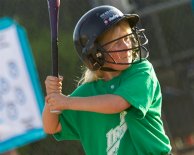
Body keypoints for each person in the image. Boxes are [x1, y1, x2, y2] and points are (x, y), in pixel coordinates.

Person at [42, 5, 172, 155]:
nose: (127, 45)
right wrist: (52, 98)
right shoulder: (86, 94)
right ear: (96, 54)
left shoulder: (141, 72)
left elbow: (117, 103)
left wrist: (67, 102)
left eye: (127, 38)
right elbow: (51, 126)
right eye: (117, 42)